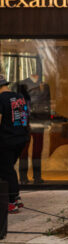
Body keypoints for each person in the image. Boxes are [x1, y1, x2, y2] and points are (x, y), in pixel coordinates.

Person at [0, 75, 30, 213]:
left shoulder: (1, 99)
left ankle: (12, 201)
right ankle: (15, 198)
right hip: (21, 138)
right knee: (9, 169)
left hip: (7, 139)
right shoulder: (19, 97)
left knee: (6, 170)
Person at [16, 71, 50, 184]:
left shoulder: (45, 85)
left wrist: (47, 122)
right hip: (27, 120)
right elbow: (20, 104)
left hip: (40, 120)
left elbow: (47, 104)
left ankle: (37, 176)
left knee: (38, 149)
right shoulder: (22, 84)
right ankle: (23, 176)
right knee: (24, 149)